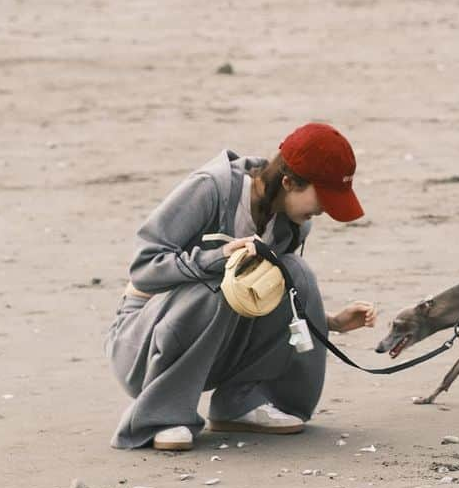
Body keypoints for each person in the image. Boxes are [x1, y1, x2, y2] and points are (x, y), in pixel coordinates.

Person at [105, 123, 375, 451]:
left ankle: (242, 401)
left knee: (294, 273)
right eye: (325, 197)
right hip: (142, 346)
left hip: (215, 347)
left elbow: (265, 293)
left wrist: (330, 321)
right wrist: (218, 257)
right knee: (220, 286)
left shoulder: (292, 226)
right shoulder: (212, 189)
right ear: (288, 181)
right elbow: (143, 267)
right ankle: (162, 414)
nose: (326, 210)